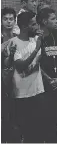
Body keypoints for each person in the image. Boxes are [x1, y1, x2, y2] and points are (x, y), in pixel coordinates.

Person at [9, 11, 47, 142]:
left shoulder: (36, 40)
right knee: (26, 132)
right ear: (25, 27)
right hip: (22, 95)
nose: (37, 27)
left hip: (38, 92)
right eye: (34, 24)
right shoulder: (13, 43)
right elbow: (20, 66)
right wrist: (36, 49)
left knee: (40, 131)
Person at [37, 8, 57, 142]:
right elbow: (36, 63)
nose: (56, 21)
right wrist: (48, 79)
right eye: (53, 19)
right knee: (44, 123)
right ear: (44, 21)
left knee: (56, 120)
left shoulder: (56, 34)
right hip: (43, 86)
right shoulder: (37, 38)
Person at [1, 7, 20, 143]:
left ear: (15, 20)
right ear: (1, 21)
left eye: (11, 19)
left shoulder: (17, 36)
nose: (8, 22)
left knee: (16, 113)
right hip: (2, 80)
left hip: (16, 77)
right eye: (5, 19)